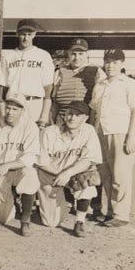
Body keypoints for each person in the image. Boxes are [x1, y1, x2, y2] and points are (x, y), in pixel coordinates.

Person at [90, 49, 135, 227]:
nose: (110, 65)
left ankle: (121, 214)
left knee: (121, 174)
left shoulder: (129, 84)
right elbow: (93, 111)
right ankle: (111, 212)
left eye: (115, 62)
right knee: (106, 174)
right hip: (101, 132)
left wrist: (132, 136)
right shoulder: (100, 85)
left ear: (122, 64)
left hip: (121, 133)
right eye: (108, 61)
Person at [37, 101, 102, 237]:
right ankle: (57, 202)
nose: (72, 118)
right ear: (64, 115)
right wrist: (61, 174)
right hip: (49, 174)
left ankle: (79, 221)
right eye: (70, 113)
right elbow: (42, 163)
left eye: (78, 115)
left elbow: (89, 160)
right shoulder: (49, 132)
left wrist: (68, 173)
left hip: (73, 173)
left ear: (85, 118)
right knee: (51, 222)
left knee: (88, 181)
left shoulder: (89, 131)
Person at [0, 93, 41, 236]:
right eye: (8, 108)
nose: (10, 112)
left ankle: (25, 220)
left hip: (18, 170)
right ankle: (12, 198)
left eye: (15, 109)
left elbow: (30, 157)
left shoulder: (30, 126)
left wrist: (8, 165)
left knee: (31, 174)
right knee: (0, 219)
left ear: (23, 111)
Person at [0, 19, 54, 128]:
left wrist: (44, 115)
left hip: (34, 103)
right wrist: (3, 113)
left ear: (34, 34)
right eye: (23, 34)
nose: (25, 38)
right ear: (17, 34)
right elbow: (2, 88)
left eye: (29, 34)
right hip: (13, 104)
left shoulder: (43, 55)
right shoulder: (8, 56)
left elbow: (48, 89)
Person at [51, 38, 105, 123]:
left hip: (84, 119)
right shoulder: (60, 72)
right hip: (62, 117)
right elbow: (54, 101)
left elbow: (100, 101)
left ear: (86, 54)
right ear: (68, 53)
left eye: (80, 54)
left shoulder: (96, 71)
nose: (77, 58)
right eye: (73, 54)